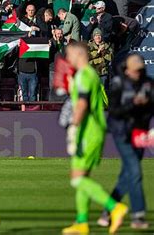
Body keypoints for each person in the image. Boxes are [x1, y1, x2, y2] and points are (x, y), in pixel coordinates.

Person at [62, 42, 128, 235]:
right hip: (95, 130)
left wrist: (73, 127)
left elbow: (82, 104)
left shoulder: (83, 75)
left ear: (79, 54)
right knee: (83, 178)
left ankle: (114, 207)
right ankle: (81, 223)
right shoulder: (91, 75)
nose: (68, 59)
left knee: (76, 180)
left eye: (69, 54)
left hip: (87, 131)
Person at [97, 54, 153, 230]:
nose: (137, 73)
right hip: (121, 132)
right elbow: (114, 111)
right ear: (127, 69)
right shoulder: (118, 84)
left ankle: (108, 210)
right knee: (135, 172)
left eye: (140, 70)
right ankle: (138, 216)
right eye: (134, 70)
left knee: (127, 175)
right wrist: (134, 104)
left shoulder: (148, 83)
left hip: (139, 133)